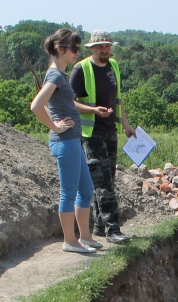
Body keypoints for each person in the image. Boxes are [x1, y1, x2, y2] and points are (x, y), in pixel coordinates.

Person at [30, 29, 103, 255]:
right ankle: (70, 241)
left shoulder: (58, 74)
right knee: (69, 192)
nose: (77, 52)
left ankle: (85, 237)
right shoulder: (55, 76)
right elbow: (36, 106)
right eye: (73, 48)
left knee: (86, 189)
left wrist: (56, 121)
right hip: (65, 142)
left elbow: (51, 106)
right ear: (60, 50)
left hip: (72, 141)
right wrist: (55, 126)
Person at [70, 29, 133, 244]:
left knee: (107, 180)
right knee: (103, 182)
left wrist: (126, 124)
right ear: (92, 48)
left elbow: (118, 99)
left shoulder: (113, 66)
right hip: (90, 133)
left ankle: (98, 226)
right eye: (100, 46)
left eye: (107, 46)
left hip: (109, 131)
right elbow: (69, 101)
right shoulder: (82, 69)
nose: (104, 49)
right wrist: (94, 111)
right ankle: (113, 230)